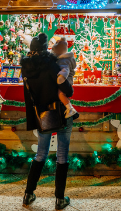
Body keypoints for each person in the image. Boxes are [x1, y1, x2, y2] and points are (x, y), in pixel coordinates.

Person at [21, 33, 75, 210]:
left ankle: (28, 194)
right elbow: (67, 89)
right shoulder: (51, 64)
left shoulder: (26, 67)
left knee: (40, 154)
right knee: (62, 156)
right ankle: (60, 198)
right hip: (59, 112)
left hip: (41, 114)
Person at [51, 36, 78, 119]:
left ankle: (70, 108)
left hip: (66, 81)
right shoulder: (66, 59)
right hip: (67, 81)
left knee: (61, 94)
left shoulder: (64, 60)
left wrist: (60, 78)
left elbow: (64, 70)